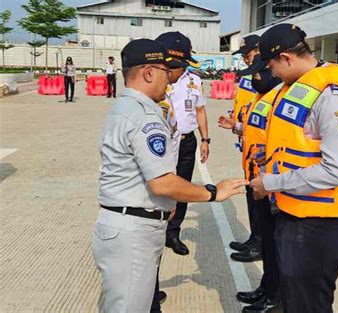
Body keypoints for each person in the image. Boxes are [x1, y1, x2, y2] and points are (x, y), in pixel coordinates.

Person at [92, 38, 247, 313]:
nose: (171, 80)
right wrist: (213, 192)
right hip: (133, 231)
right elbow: (162, 182)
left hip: (126, 222)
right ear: (149, 73)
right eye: (166, 71)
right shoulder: (144, 116)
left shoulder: (124, 107)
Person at [250, 24, 338, 313]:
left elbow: (333, 171)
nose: (270, 73)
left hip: (318, 227)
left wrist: (271, 182)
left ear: (286, 58)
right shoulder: (297, 89)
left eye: (272, 65)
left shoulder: (333, 99)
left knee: (309, 305)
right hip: (294, 216)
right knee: (294, 300)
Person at [219, 55, 283, 312]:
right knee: (267, 241)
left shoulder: (278, 100)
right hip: (258, 178)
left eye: (258, 74)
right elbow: (255, 130)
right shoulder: (262, 98)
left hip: (273, 184)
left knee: (276, 244)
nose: (254, 79)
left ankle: (275, 298)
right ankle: (266, 288)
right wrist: (235, 126)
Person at [153, 31, 210, 257]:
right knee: (159, 186)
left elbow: (200, 110)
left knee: (182, 187)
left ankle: (173, 233)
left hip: (187, 141)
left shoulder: (194, 81)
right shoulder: (156, 80)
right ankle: (157, 229)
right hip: (161, 143)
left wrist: (205, 139)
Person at [226, 34, 263, 262]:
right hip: (246, 141)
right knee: (251, 194)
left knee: (259, 195)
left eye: (248, 54)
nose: (246, 60)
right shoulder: (250, 76)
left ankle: (260, 243)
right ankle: (255, 237)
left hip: (259, 148)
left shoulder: (266, 77)